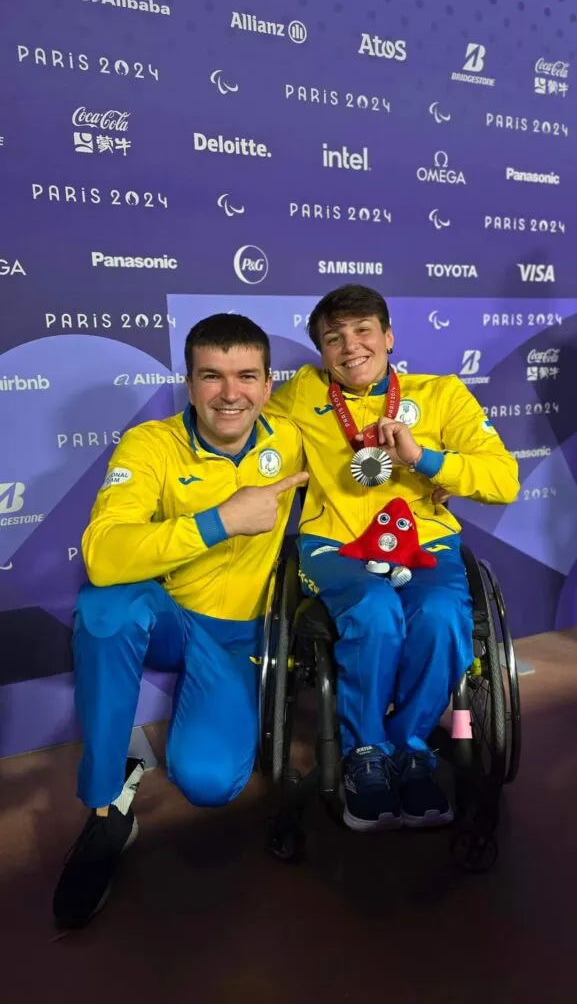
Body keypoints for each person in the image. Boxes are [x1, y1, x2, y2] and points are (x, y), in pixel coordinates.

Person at [53, 313, 307, 929]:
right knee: (105, 607)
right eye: (211, 376)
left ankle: (186, 743)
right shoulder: (152, 443)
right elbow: (103, 553)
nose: (230, 393)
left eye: (246, 376)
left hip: (243, 636)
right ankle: (108, 808)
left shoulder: (295, 438)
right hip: (173, 619)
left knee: (210, 782)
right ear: (189, 384)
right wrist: (220, 521)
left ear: (268, 384)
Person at [267, 284, 519, 832]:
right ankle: (364, 754)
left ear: (388, 337)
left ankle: (411, 749)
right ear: (321, 352)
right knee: (374, 609)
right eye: (333, 338)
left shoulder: (442, 394)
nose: (350, 346)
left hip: (424, 543)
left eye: (363, 331)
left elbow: (504, 479)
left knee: (441, 616)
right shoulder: (298, 395)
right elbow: (241, 436)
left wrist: (426, 459)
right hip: (334, 546)